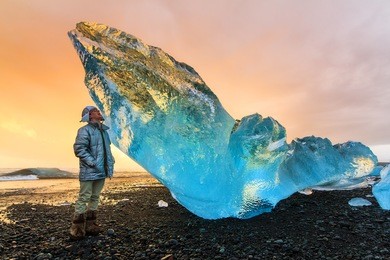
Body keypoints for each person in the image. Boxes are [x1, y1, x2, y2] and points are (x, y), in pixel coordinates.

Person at [70, 105, 115, 240]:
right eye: (95, 111)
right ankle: (77, 228)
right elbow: (79, 149)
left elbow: (107, 150)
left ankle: (91, 225)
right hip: (89, 171)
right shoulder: (84, 130)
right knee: (84, 197)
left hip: (101, 170)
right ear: (89, 116)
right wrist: (93, 162)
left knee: (95, 197)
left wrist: (110, 162)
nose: (99, 112)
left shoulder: (103, 132)